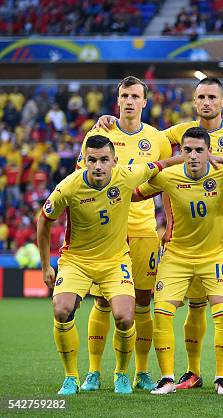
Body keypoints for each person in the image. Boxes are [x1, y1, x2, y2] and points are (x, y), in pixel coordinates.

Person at [37, 135, 181, 395]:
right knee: (62, 309)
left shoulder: (125, 176)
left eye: (104, 160)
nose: (99, 165)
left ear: (115, 161)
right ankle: (71, 377)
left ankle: (121, 374)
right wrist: (46, 264)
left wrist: (197, 157)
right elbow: (44, 219)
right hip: (77, 261)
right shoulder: (68, 187)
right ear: (84, 162)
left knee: (125, 317)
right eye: (92, 160)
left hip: (115, 261)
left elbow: (161, 164)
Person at [133, 127, 223, 395]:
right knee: (162, 313)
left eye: (200, 150)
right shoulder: (168, 176)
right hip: (177, 256)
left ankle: (222, 378)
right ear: (180, 152)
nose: (194, 155)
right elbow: (134, 194)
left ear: (209, 152)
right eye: (187, 150)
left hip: (215, 256)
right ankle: (167, 378)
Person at [79, 76, 172, 392]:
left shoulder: (157, 139)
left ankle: (141, 372)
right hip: (107, 234)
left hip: (145, 231)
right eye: (124, 95)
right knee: (103, 302)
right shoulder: (99, 133)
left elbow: (168, 182)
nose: (130, 101)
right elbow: (83, 183)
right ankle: (93, 371)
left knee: (143, 303)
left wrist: (170, 222)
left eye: (135, 96)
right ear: (117, 100)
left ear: (145, 102)